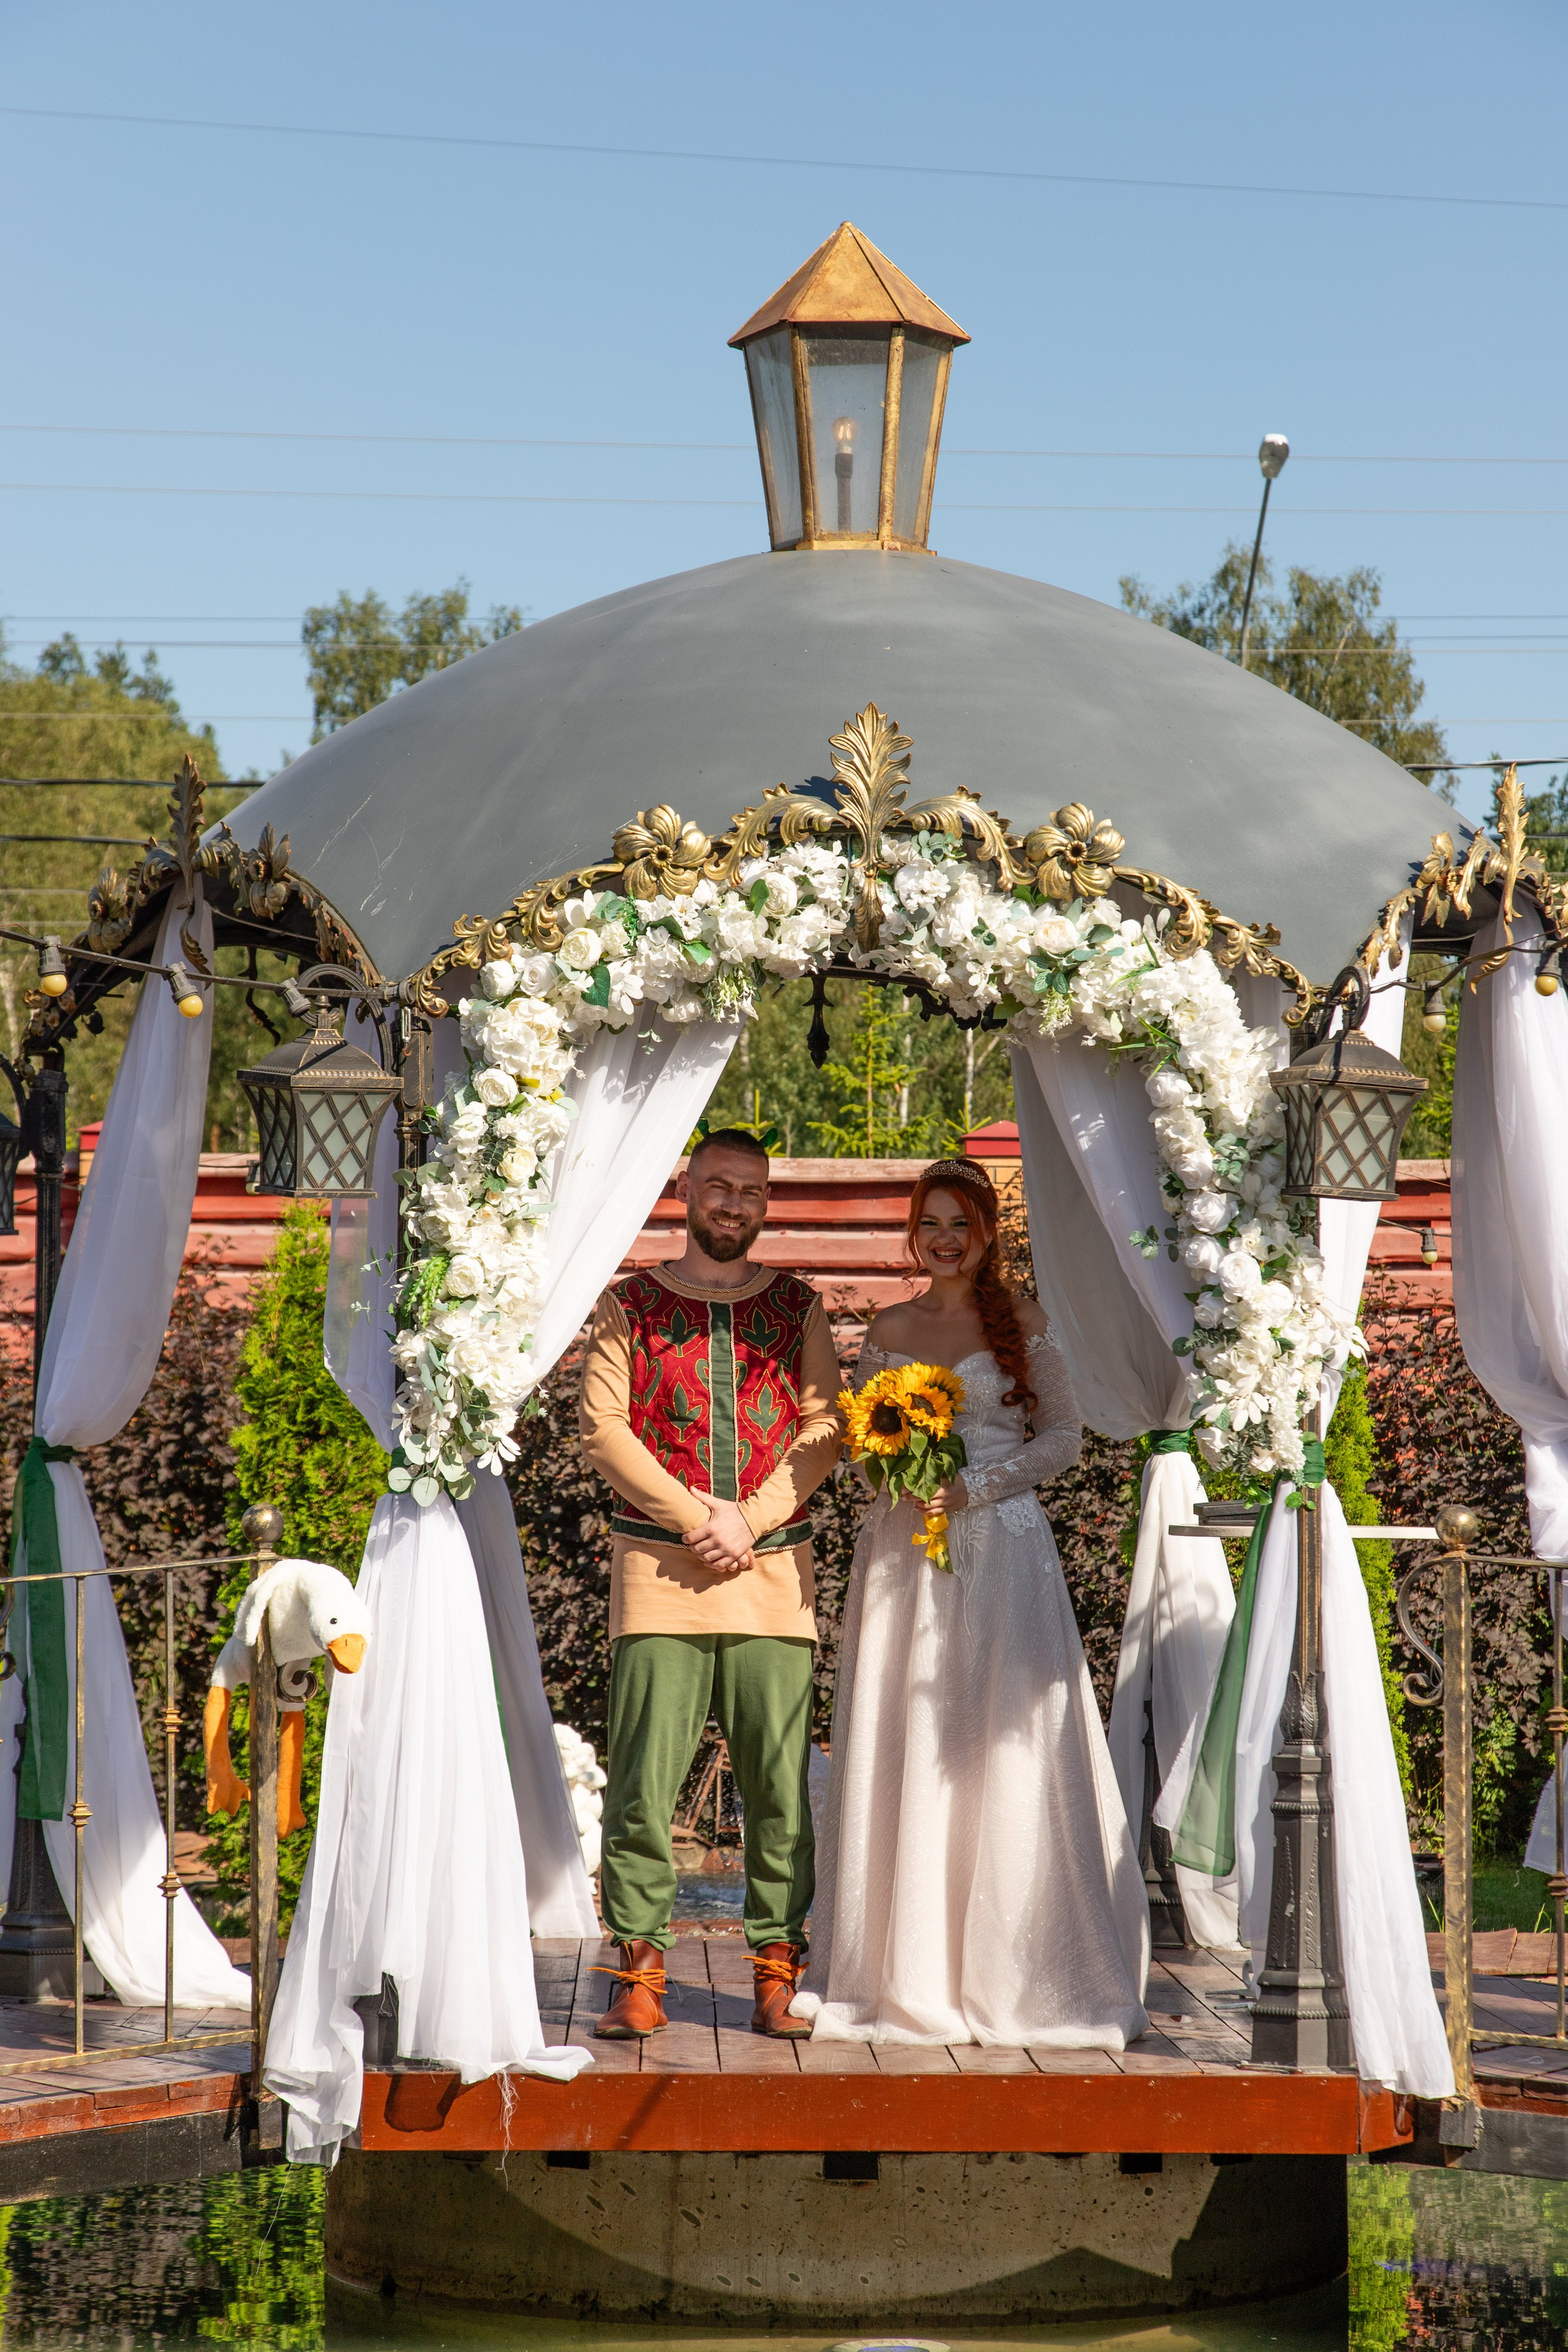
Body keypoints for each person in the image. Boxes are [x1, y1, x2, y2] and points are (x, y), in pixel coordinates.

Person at [794, 1157, 1150, 2049]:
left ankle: (1015, 1968)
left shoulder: (1026, 1323)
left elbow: (1065, 1438)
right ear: (914, 1234)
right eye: (931, 1225)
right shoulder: (889, 1325)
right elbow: (855, 1433)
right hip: (902, 1555)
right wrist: (891, 1467)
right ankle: (900, 1968)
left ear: (988, 1234)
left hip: (1003, 1558)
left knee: (994, 1744)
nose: (946, 1240)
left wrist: (978, 1485)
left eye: (962, 1225)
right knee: (905, 1740)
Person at [579, 1128, 843, 2038]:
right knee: (644, 1786)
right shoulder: (631, 1304)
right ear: (686, 1189)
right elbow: (604, 1429)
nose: (735, 1204)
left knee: (777, 1787)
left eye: (753, 1192)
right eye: (720, 1187)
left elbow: (825, 1428)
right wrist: (698, 1517)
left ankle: (775, 1968)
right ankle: (637, 1971)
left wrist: (751, 1517)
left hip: (773, 1574)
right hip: (658, 1572)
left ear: (767, 1204)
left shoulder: (798, 1307)